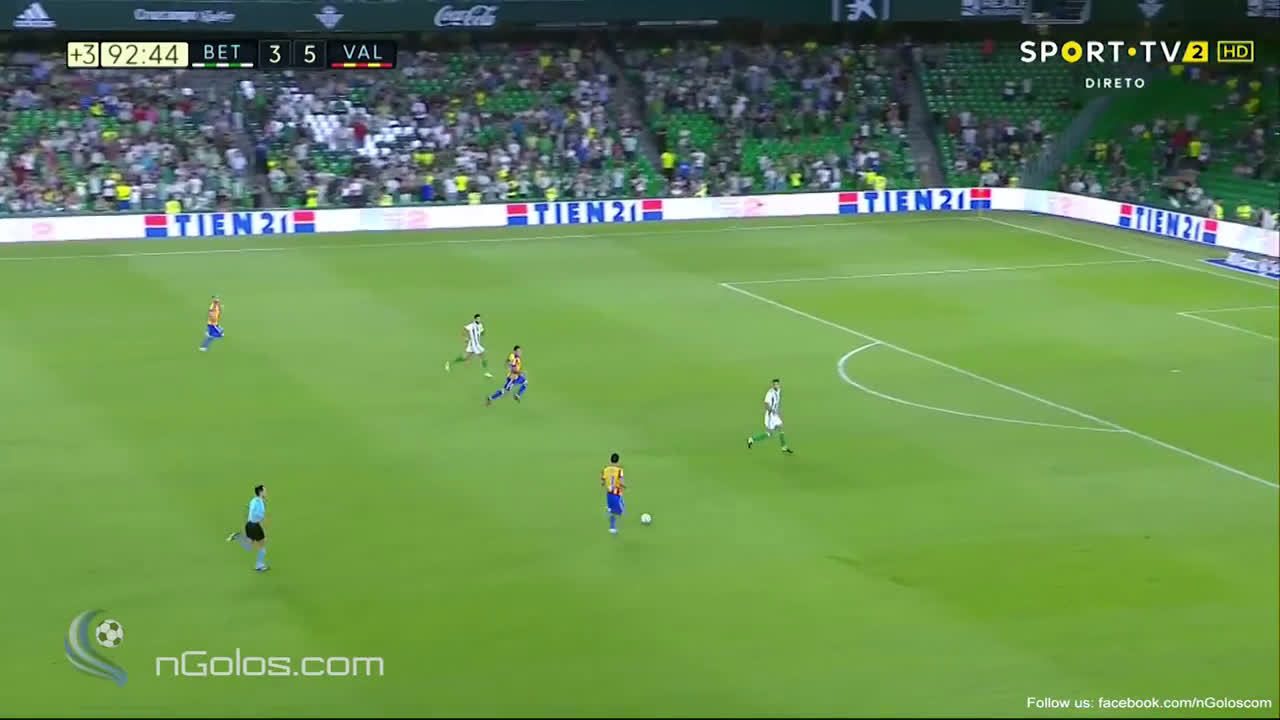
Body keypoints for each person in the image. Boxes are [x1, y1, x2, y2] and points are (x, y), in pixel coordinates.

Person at [226, 485, 269, 572]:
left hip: (250, 525)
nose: (266, 492)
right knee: (262, 545)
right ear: (260, 492)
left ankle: (237, 536)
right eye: (265, 491)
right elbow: (255, 513)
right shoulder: (258, 502)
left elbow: (252, 510)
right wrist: (259, 517)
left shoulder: (255, 500)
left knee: (249, 546)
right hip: (254, 525)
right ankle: (259, 565)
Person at [747, 378, 793, 453]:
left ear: (779, 384)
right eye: (774, 384)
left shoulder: (779, 390)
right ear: (772, 385)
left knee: (781, 426)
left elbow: (777, 402)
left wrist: (777, 411)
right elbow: (766, 404)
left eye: (777, 384)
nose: (776, 385)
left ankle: (784, 447)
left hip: (775, 414)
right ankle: (752, 439)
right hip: (770, 415)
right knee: (769, 433)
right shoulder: (770, 393)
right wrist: (772, 410)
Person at [602, 453, 625, 535]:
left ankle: (612, 527)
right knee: (620, 511)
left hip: (609, 493)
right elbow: (621, 482)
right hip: (617, 493)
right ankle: (612, 526)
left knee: (613, 510)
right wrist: (624, 486)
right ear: (618, 461)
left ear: (610, 460)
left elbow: (602, 482)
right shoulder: (619, 470)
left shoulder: (605, 469)